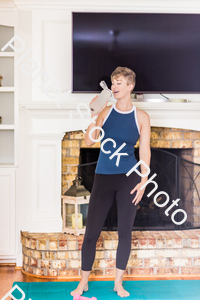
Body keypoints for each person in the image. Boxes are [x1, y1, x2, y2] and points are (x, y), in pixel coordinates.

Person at [71, 67, 151, 298]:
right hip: (103, 177)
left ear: (130, 87)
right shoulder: (105, 111)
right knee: (91, 233)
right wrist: (94, 115)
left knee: (125, 232)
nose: (114, 87)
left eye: (118, 83)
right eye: (112, 83)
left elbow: (144, 151)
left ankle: (118, 282)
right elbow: (89, 140)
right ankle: (83, 282)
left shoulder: (142, 117)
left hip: (130, 179)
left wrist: (144, 180)